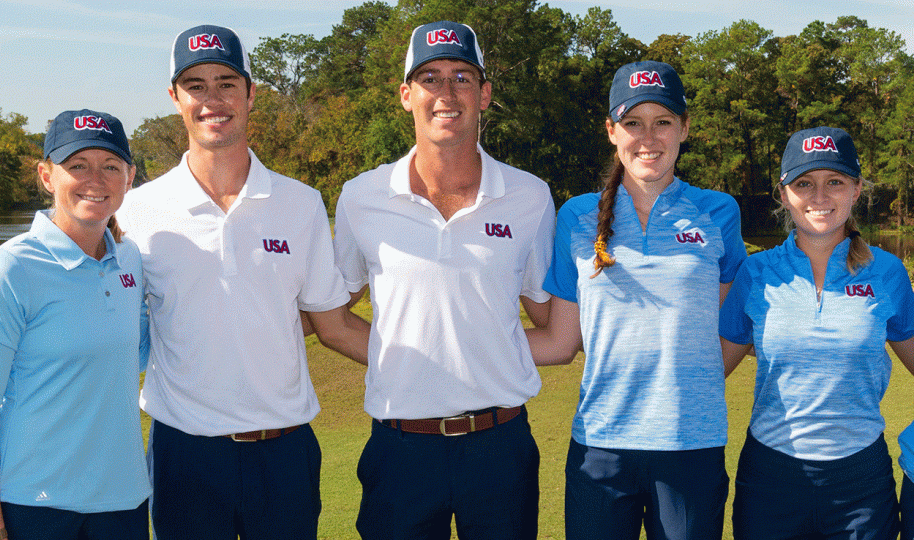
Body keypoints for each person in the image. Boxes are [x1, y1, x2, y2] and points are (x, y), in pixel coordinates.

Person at [116, 24, 369, 540]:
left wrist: (445, 367)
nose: (213, 100)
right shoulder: (137, 210)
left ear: (250, 93)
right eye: (196, 86)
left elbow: (334, 324)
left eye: (227, 83)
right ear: (175, 98)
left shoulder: (301, 204)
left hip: (284, 453)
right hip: (182, 453)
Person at [332, 20, 555, 539]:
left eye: (462, 77)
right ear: (406, 95)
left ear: (485, 93)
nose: (446, 92)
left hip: (499, 446)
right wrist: (408, 355)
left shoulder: (529, 196)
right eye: (430, 78)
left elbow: (554, 326)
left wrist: (478, 354)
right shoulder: (361, 196)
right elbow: (336, 318)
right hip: (400, 447)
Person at [526, 60, 746, 540]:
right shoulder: (577, 216)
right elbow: (563, 341)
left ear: (684, 128)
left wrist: (689, 382)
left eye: (662, 122)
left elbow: (725, 330)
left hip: (691, 444)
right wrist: (462, 347)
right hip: (600, 447)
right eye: (633, 123)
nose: (648, 137)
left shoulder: (719, 211)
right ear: (611, 131)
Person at [0, 109, 149, 540]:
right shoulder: (8, 269)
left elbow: (135, 351)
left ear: (129, 177)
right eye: (77, 165)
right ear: (47, 176)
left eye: (110, 166)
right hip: (34, 508)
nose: (95, 179)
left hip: (125, 503)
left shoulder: (130, 260)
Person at [721, 126, 914, 539]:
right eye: (804, 183)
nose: (820, 197)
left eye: (835, 182)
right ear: (783, 192)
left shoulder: (887, 272)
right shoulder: (756, 273)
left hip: (861, 481)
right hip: (771, 476)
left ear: (857, 189)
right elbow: (709, 369)